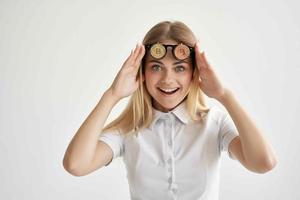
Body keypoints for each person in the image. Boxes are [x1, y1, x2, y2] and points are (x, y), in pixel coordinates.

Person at [63, 20, 277, 200]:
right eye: (156, 67)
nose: (167, 79)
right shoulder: (128, 130)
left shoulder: (214, 123)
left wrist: (224, 96)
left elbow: (263, 162)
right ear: (142, 72)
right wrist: (112, 95)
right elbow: (75, 165)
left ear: (194, 73)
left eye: (180, 68)